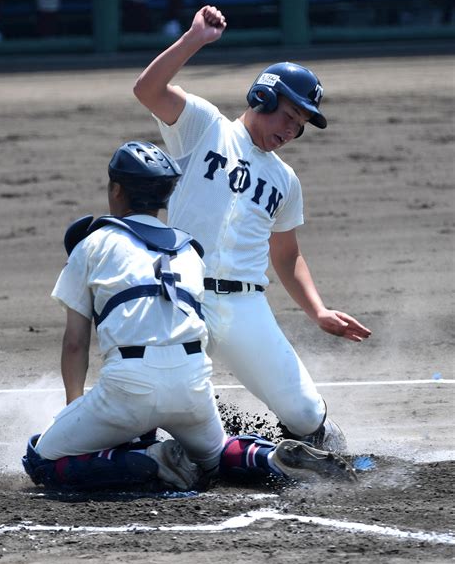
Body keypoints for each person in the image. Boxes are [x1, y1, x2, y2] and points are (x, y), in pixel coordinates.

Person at [22, 140, 357, 492]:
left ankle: (147, 461)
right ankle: (269, 459)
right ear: (165, 198)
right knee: (214, 456)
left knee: (41, 459)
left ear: (116, 190)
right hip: (193, 387)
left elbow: (75, 344)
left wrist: (75, 408)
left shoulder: (92, 243)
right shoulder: (190, 251)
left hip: (128, 388)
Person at [133, 5, 372, 454]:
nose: (291, 129)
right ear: (263, 97)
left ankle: (317, 449)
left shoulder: (285, 179)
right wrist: (194, 39)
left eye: (300, 125)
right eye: (288, 114)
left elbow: (287, 255)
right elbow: (147, 89)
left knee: (304, 412)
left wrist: (318, 311)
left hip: (244, 305)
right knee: (162, 399)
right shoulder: (203, 128)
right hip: (184, 296)